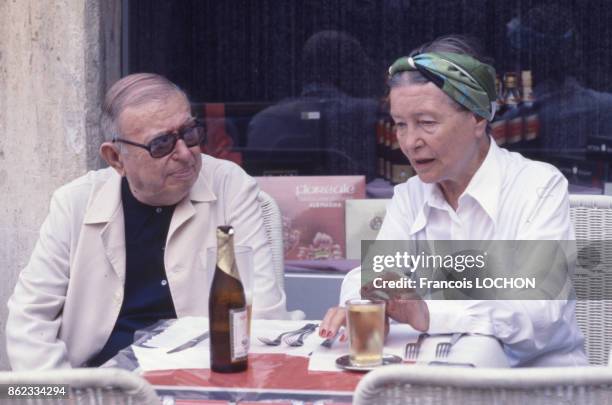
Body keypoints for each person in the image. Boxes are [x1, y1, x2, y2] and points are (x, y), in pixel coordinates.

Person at [320, 35, 587, 367]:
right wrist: (364, 301)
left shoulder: (538, 187)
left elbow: (541, 311)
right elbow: (374, 273)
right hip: (444, 379)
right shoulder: (411, 195)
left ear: (478, 118)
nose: (409, 142)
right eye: (400, 125)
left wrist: (427, 312)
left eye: (427, 123)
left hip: (535, 387)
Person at [6, 73, 287, 370]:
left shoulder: (230, 186)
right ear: (116, 158)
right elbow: (30, 320)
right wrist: (64, 395)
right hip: (95, 383)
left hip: (200, 380)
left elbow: (264, 316)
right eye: (162, 143)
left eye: (190, 133)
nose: (184, 154)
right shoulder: (74, 203)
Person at [246, 30, 379, 180]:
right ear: (346, 69)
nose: (365, 73)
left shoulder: (264, 120)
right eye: (358, 65)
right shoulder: (370, 113)